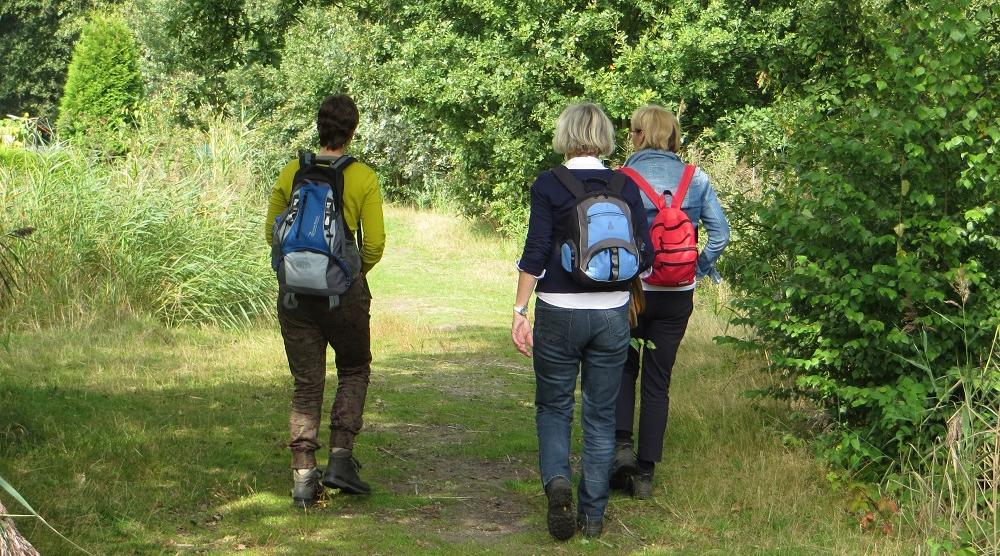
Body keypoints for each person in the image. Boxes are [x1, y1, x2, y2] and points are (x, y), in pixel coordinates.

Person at [511, 102, 651, 540]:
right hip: (611, 313)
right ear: (606, 136)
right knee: (601, 413)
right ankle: (592, 516)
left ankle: (556, 484)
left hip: (557, 309)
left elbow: (536, 252)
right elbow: (645, 255)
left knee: (554, 406)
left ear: (566, 135)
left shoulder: (549, 184)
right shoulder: (625, 185)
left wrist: (518, 310)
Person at [265, 94, 386, 508]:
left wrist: (297, 271)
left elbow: (272, 233)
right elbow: (375, 244)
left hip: (295, 295)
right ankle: (340, 460)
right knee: (353, 368)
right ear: (352, 131)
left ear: (319, 129)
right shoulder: (363, 178)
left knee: (306, 383)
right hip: (344, 295)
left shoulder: (291, 172)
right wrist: (350, 276)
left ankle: (302, 477)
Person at [611, 105, 730, 499]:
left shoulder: (621, 178)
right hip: (677, 296)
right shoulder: (696, 179)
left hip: (632, 292)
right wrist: (696, 269)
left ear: (641, 134)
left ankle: (621, 450)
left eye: (632, 131)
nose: (630, 137)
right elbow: (721, 235)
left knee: (626, 369)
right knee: (659, 381)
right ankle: (645, 474)